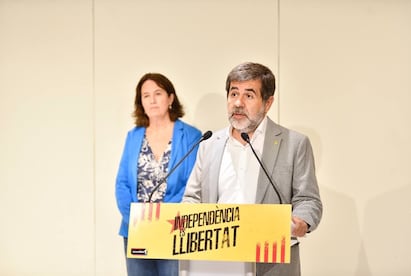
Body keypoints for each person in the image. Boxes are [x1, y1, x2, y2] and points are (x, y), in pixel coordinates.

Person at [182, 62, 323, 276]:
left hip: (271, 263)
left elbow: (308, 200)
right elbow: (192, 197)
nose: (238, 103)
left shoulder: (294, 143)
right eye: (233, 93)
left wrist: (301, 222)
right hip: (216, 262)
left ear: (268, 103)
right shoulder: (209, 144)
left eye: (249, 95)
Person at [115, 73, 202, 276]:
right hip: (135, 229)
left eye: (158, 93)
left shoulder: (190, 136)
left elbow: (192, 185)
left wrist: (164, 220)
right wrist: (135, 219)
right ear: (141, 102)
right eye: (146, 95)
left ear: (170, 98)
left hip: (173, 228)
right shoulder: (134, 136)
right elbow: (122, 183)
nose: (152, 100)